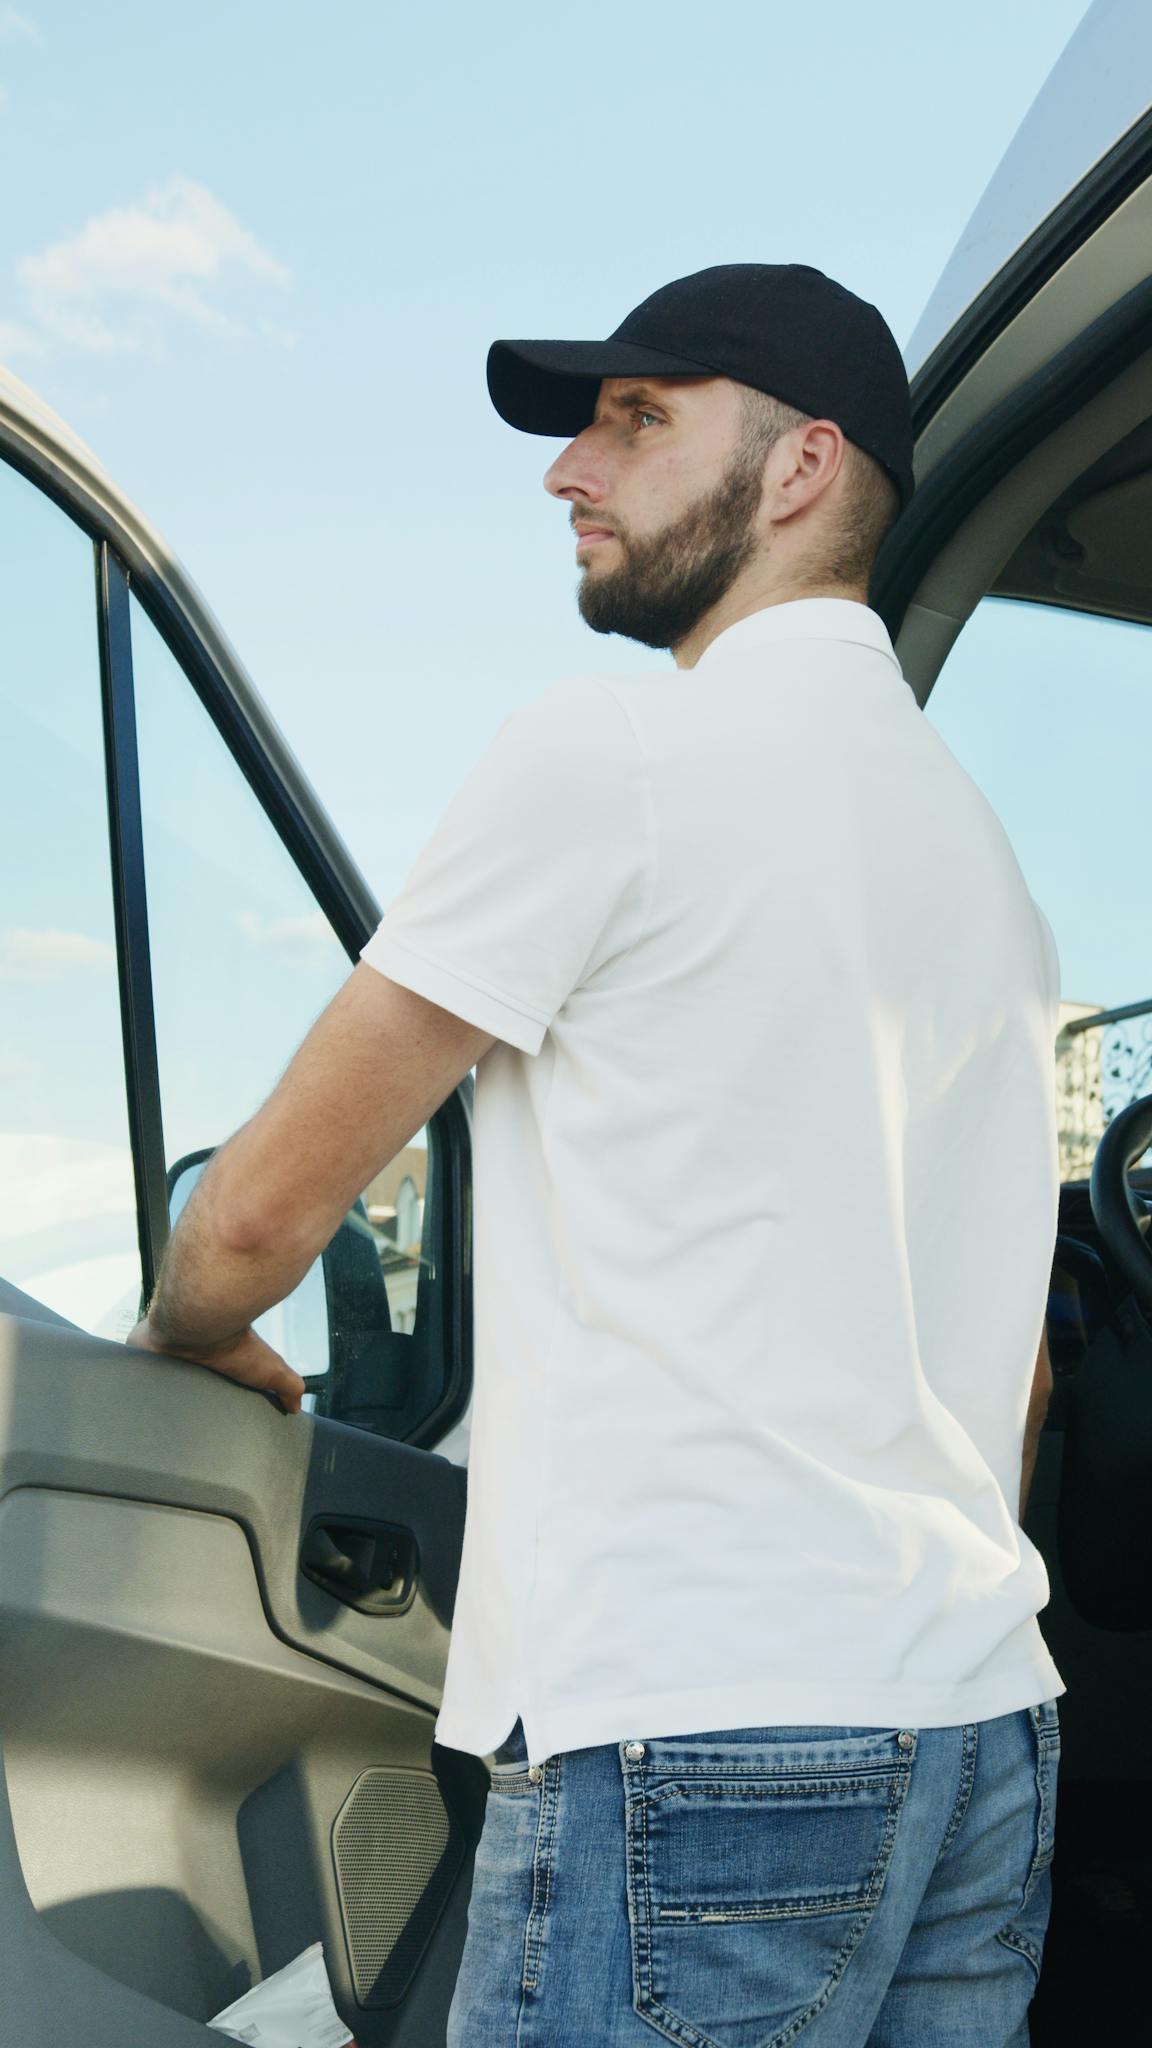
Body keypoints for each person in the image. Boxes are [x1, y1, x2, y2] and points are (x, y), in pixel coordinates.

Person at [128, 263, 1064, 2046]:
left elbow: (251, 1216)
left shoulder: (620, 750)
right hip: (980, 1731)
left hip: (705, 1732)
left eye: (637, 421)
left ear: (799, 472)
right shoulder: (989, 872)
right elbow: (1009, 1363)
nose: (571, 471)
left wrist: (192, 1333)